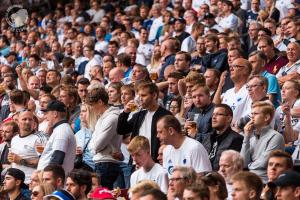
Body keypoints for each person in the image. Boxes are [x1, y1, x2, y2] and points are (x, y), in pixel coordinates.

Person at [117, 82, 172, 162]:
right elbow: (121, 130)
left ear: (154, 96)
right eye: (139, 96)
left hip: (155, 162)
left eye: (143, 95)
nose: (140, 99)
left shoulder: (165, 115)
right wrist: (125, 113)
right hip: (136, 162)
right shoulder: (139, 115)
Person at [86, 87, 122, 189]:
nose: (92, 109)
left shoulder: (112, 118)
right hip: (102, 162)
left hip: (107, 164)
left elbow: (98, 145)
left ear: (100, 102)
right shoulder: (103, 118)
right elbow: (92, 143)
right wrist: (93, 147)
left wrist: (93, 148)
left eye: (92, 105)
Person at [241, 101, 285, 183]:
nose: (252, 117)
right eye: (252, 114)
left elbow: (263, 163)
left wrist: (249, 165)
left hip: (265, 182)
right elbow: (243, 163)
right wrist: (246, 137)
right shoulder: (251, 138)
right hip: (250, 179)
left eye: (255, 114)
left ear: (266, 117)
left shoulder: (276, 137)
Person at [38, 100, 76, 175]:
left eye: (47, 113)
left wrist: (48, 179)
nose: (45, 117)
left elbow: (57, 159)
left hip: (52, 181)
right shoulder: (61, 129)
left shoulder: (62, 131)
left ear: (55, 114)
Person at [202, 104, 243, 170]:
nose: (214, 117)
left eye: (218, 114)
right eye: (213, 114)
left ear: (229, 119)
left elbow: (232, 166)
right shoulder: (207, 137)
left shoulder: (237, 139)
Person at [9, 111, 42, 183]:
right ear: (18, 122)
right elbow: (13, 161)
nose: (27, 122)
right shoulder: (14, 139)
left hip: (29, 183)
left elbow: (43, 161)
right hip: (15, 183)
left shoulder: (38, 139)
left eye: (30, 119)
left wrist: (21, 161)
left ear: (34, 122)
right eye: (24, 119)